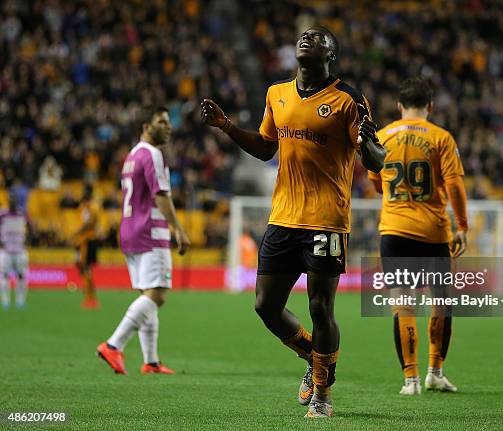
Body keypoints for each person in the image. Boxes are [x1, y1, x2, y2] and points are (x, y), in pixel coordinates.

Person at [201, 26, 385, 418]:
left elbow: (376, 160)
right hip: (283, 217)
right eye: (303, 35)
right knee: (266, 306)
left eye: (318, 37)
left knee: (321, 308)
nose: (307, 39)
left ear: (330, 53)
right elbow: (267, 147)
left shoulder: (348, 98)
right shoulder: (276, 93)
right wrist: (227, 126)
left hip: (327, 220)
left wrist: (369, 144)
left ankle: (322, 393)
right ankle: (313, 358)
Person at [368, 76, 468, 395]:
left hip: (394, 231)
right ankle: (435, 372)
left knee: (403, 305)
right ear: (430, 106)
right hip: (433, 232)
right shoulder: (441, 137)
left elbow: (374, 181)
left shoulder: (382, 136)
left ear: (400, 106)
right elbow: (454, 185)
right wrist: (462, 226)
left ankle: (410, 380)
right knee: (441, 303)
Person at [96, 107, 190, 375]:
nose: (169, 127)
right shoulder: (152, 154)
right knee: (157, 294)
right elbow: (161, 194)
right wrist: (178, 229)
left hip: (129, 230)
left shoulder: (132, 155)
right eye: (162, 122)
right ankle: (114, 345)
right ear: (146, 126)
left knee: (146, 293)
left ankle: (150, 361)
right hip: (150, 231)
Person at [0, 194, 30, 310]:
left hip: (20, 251)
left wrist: (26, 239)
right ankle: (5, 301)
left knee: (21, 276)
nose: (12, 203)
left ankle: (20, 302)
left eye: (14, 201)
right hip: (6, 251)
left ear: (17, 202)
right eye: (11, 200)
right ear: (8, 201)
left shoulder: (22, 214)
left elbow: (31, 228)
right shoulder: (2, 214)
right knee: (5, 276)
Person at [73, 184, 101, 309]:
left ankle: (91, 298)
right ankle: (89, 296)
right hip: (81, 241)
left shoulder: (93, 206)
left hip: (88, 240)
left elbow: (90, 222)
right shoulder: (83, 206)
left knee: (86, 268)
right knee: (82, 267)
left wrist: (79, 231)